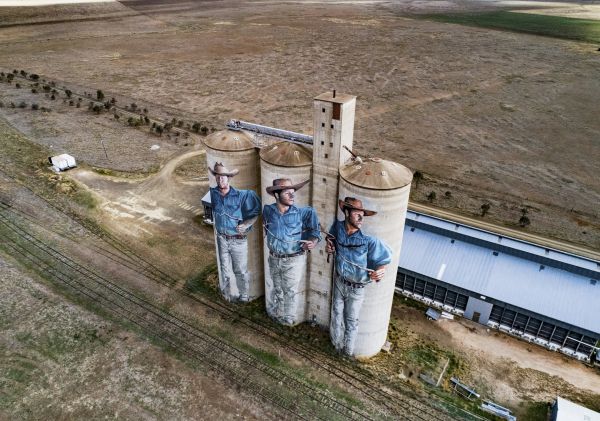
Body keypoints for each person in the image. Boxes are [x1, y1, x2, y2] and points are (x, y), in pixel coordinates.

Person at [326, 197, 392, 356]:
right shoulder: (338, 227)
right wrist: (330, 245)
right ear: (347, 212)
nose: (361, 218)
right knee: (335, 314)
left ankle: (347, 353)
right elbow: (331, 238)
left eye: (363, 214)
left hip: (356, 289)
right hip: (339, 282)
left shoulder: (369, 242)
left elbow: (383, 262)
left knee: (351, 322)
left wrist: (380, 271)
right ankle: (335, 346)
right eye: (357, 214)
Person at [263, 178, 321, 325]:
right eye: (287, 193)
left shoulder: (303, 213)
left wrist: (312, 242)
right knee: (277, 288)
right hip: (274, 258)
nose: (292, 195)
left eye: (293, 192)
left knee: (289, 291)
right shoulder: (268, 211)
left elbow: (316, 232)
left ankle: (288, 320)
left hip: (293, 259)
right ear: (277, 195)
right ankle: (278, 314)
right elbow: (265, 227)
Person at [209, 162, 261, 302]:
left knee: (240, 271)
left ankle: (244, 296)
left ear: (229, 178)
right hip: (222, 239)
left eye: (224, 177)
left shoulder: (242, 195)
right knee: (224, 270)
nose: (221, 180)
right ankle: (227, 295)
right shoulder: (213, 194)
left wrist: (246, 224)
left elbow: (256, 213)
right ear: (215, 178)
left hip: (237, 240)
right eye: (218, 177)